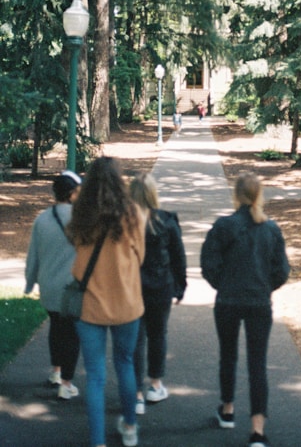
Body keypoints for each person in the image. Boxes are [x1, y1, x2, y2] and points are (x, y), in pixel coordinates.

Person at [200, 172, 290, 447]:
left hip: (228, 300)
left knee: (228, 355)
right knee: (257, 363)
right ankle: (257, 430)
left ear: (236, 195)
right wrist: (264, 287)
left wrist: (223, 285)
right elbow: (282, 270)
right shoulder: (271, 229)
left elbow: (209, 263)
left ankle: (227, 409)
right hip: (258, 302)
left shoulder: (224, 226)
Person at [67, 157, 145, 447]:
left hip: (91, 305)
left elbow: (76, 249)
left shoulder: (81, 213)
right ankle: (129, 426)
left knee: (96, 377)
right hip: (126, 302)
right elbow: (140, 256)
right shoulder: (133, 213)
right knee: (125, 364)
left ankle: (97, 441)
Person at [129, 172, 187, 415]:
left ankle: (136, 394)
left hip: (132, 287)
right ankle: (155, 384)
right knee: (158, 335)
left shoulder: (125, 223)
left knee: (136, 339)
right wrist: (180, 286)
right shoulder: (167, 221)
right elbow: (178, 257)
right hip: (160, 286)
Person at [25, 170, 82, 400]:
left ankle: (56, 372)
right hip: (72, 289)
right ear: (71, 193)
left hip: (48, 287)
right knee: (71, 334)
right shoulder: (81, 219)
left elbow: (33, 256)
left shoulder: (42, 219)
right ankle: (66, 383)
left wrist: (29, 283)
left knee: (56, 327)